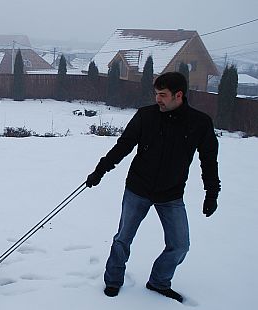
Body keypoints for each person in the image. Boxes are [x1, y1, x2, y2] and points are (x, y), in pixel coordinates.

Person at [86, 72, 220, 303]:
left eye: (163, 95)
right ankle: (113, 280)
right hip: (138, 188)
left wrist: (212, 192)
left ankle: (159, 281)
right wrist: (100, 170)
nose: (157, 99)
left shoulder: (199, 123)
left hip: (171, 194)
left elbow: (209, 160)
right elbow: (124, 146)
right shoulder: (146, 116)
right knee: (123, 238)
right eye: (156, 94)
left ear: (178, 95)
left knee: (180, 245)